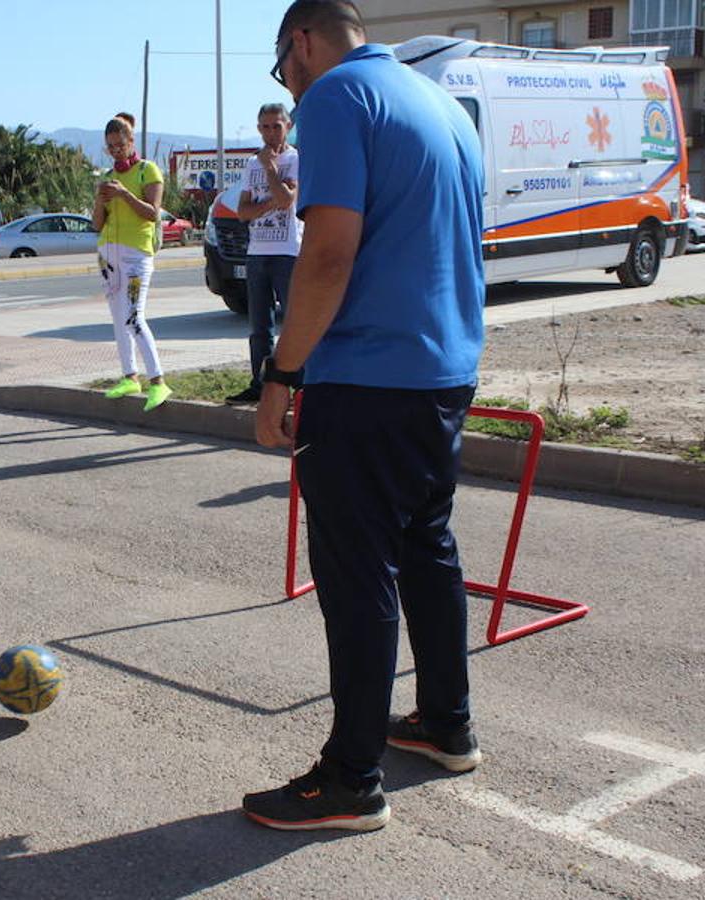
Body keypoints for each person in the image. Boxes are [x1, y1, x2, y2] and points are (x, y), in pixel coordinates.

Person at [244, 0, 486, 832]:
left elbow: (330, 251)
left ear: (302, 44)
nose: (292, 85)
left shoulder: (340, 98)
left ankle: (350, 779)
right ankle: (447, 724)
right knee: (427, 549)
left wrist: (280, 373)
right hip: (443, 371)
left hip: (368, 378)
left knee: (356, 577)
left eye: (286, 69)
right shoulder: (443, 104)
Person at [92, 116, 173, 413]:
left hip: (136, 255)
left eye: (121, 145)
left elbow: (153, 213)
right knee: (118, 319)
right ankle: (130, 376)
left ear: (131, 142)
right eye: (111, 146)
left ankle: (158, 380)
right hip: (108, 255)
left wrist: (124, 194)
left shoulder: (146, 171)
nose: (116, 151)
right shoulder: (108, 176)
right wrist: (101, 199)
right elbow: (97, 224)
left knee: (134, 318)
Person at [225, 103, 302, 406]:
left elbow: (287, 199)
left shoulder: (295, 159)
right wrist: (271, 199)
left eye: (276, 126)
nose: (271, 133)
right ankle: (259, 383)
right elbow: (243, 212)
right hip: (257, 252)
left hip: (287, 252)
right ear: (258, 129)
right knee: (259, 326)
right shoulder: (250, 164)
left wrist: (271, 170)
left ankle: (300, 385)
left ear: (287, 126)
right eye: (265, 127)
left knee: (293, 322)